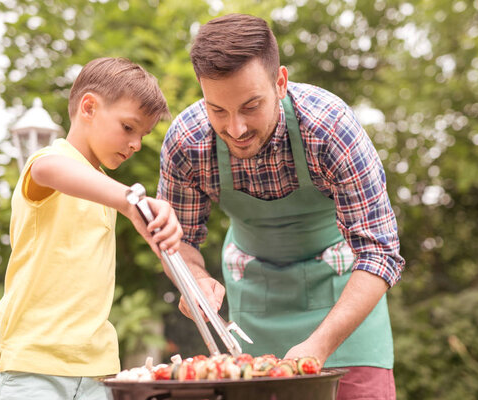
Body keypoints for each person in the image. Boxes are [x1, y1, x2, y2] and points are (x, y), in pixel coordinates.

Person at [157, 14, 405, 399]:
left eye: (251, 105)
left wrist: (320, 345)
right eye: (217, 109)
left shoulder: (330, 127)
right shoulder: (187, 141)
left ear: (281, 82)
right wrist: (193, 281)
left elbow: (380, 252)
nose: (235, 129)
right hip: (255, 306)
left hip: (342, 300)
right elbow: (176, 243)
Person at [0, 57, 183, 400]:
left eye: (143, 135)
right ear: (88, 107)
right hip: (31, 366)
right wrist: (129, 200)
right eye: (128, 127)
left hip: (95, 371)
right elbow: (48, 170)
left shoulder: (104, 187)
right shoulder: (49, 161)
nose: (135, 144)